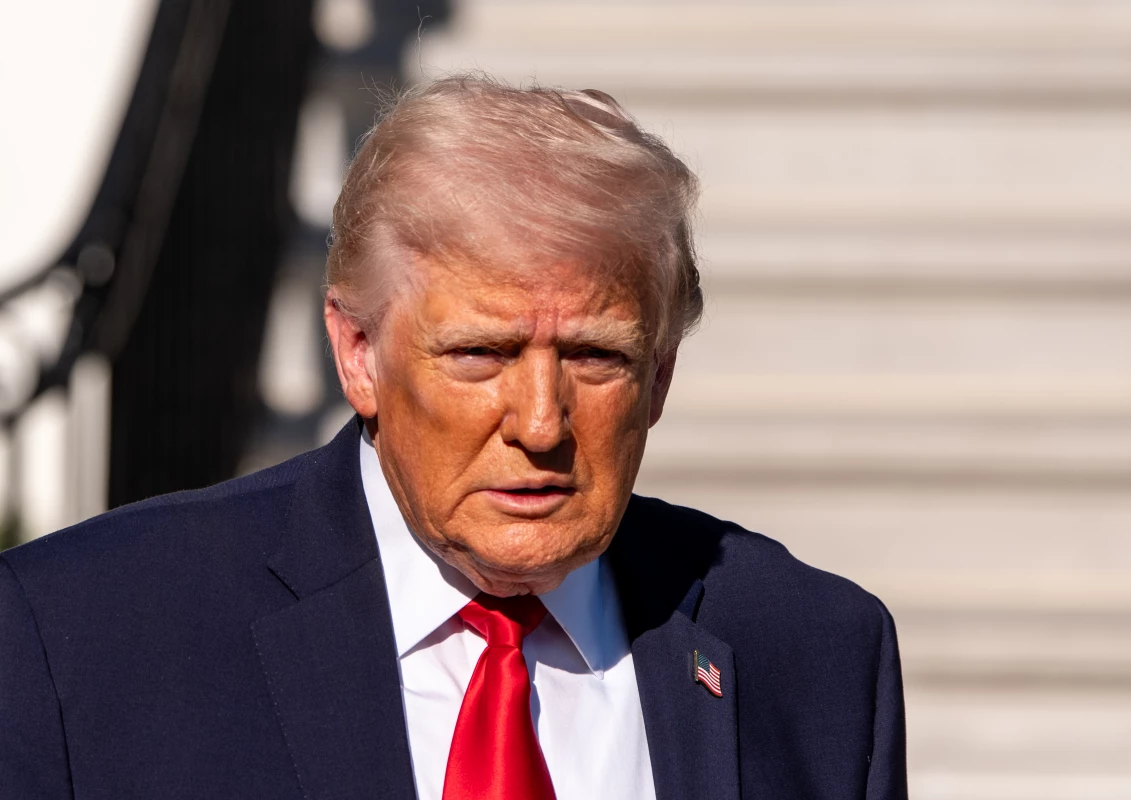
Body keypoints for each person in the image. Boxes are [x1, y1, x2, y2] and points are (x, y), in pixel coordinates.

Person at [0, 75, 906, 800]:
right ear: (358, 354)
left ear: (661, 377)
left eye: (595, 357)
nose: (541, 422)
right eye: (481, 353)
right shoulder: (85, 638)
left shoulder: (816, 652)